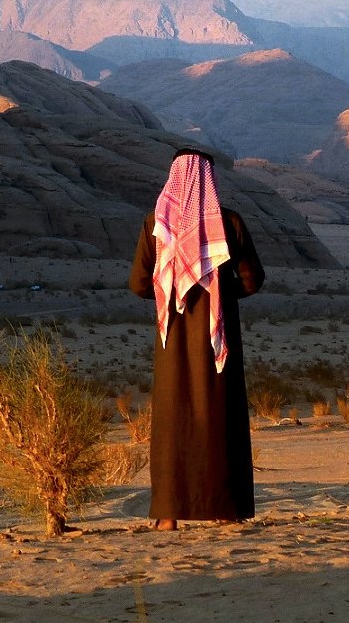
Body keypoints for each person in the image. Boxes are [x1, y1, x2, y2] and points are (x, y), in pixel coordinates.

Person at [129, 148, 265, 531]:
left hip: (172, 340)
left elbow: (139, 284)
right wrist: (218, 292)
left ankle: (169, 515)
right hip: (217, 339)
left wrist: (169, 292)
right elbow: (253, 280)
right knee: (219, 419)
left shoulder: (156, 225)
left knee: (174, 423)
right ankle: (224, 509)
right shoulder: (229, 223)